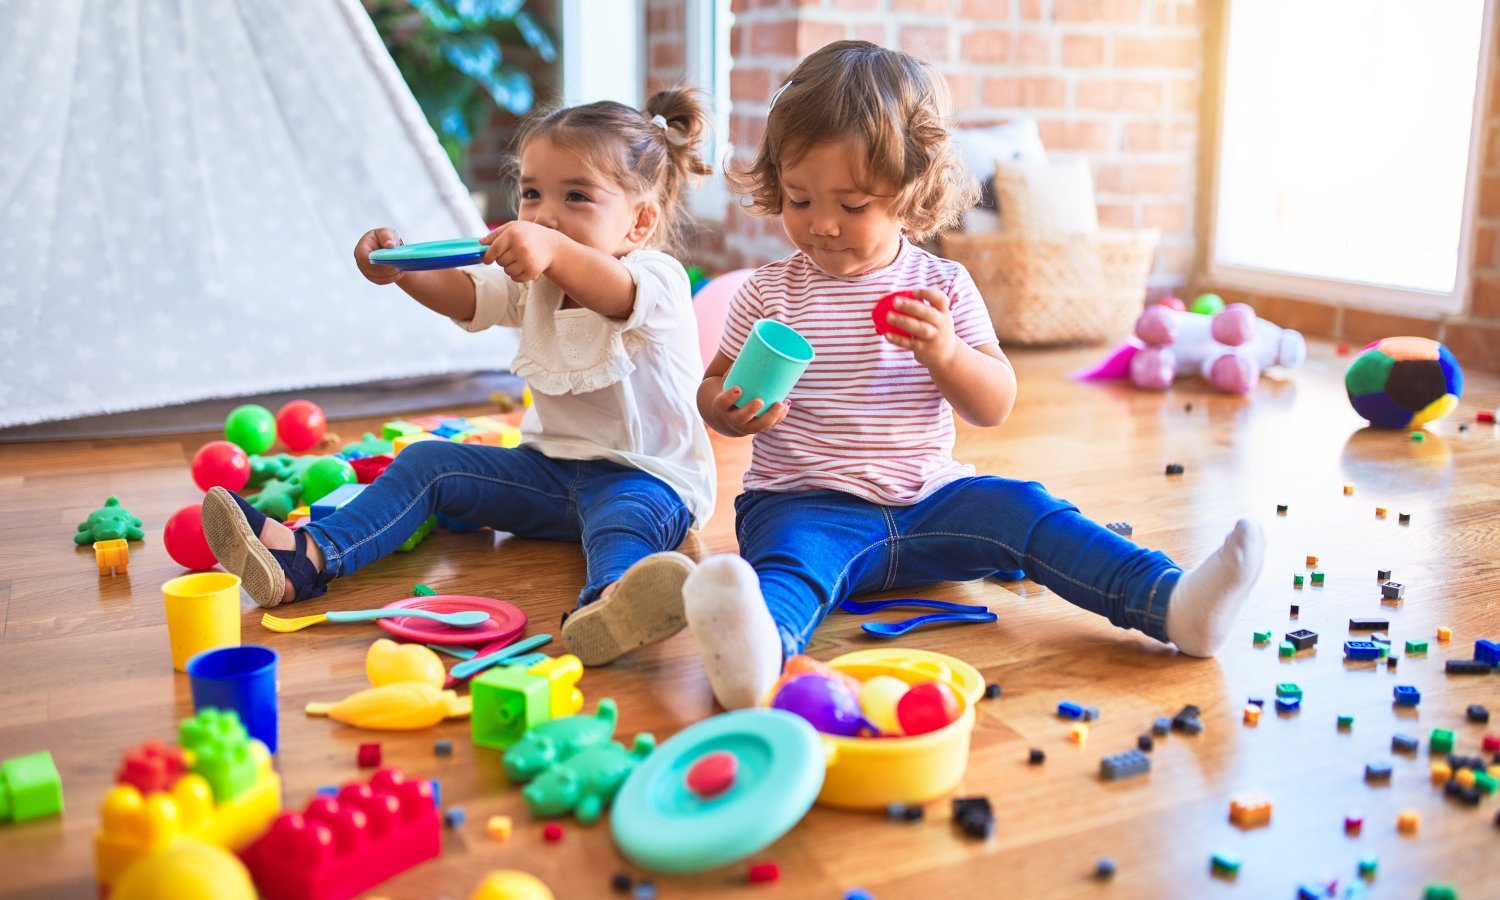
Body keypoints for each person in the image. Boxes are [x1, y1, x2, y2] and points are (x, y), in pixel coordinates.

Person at [682, 41, 1266, 709]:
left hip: (933, 503)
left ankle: (1172, 604)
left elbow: (994, 404)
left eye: (852, 206)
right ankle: (759, 655)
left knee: (1028, 509)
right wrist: (726, 410)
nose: (821, 224)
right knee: (788, 565)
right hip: (806, 504)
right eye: (798, 198)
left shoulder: (943, 286)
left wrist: (946, 355)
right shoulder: (768, 292)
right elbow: (714, 384)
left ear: (910, 193)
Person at [203, 90, 718, 667]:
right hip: (548, 474)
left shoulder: (657, 278)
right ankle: (307, 556)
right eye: (532, 193)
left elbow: (612, 291)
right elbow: (468, 295)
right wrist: (403, 271)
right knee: (429, 463)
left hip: (647, 480)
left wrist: (549, 246)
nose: (545, 214)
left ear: (640, 221)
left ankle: (613, 604)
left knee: (622, 523)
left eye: (576, 196)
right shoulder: (536, 280)